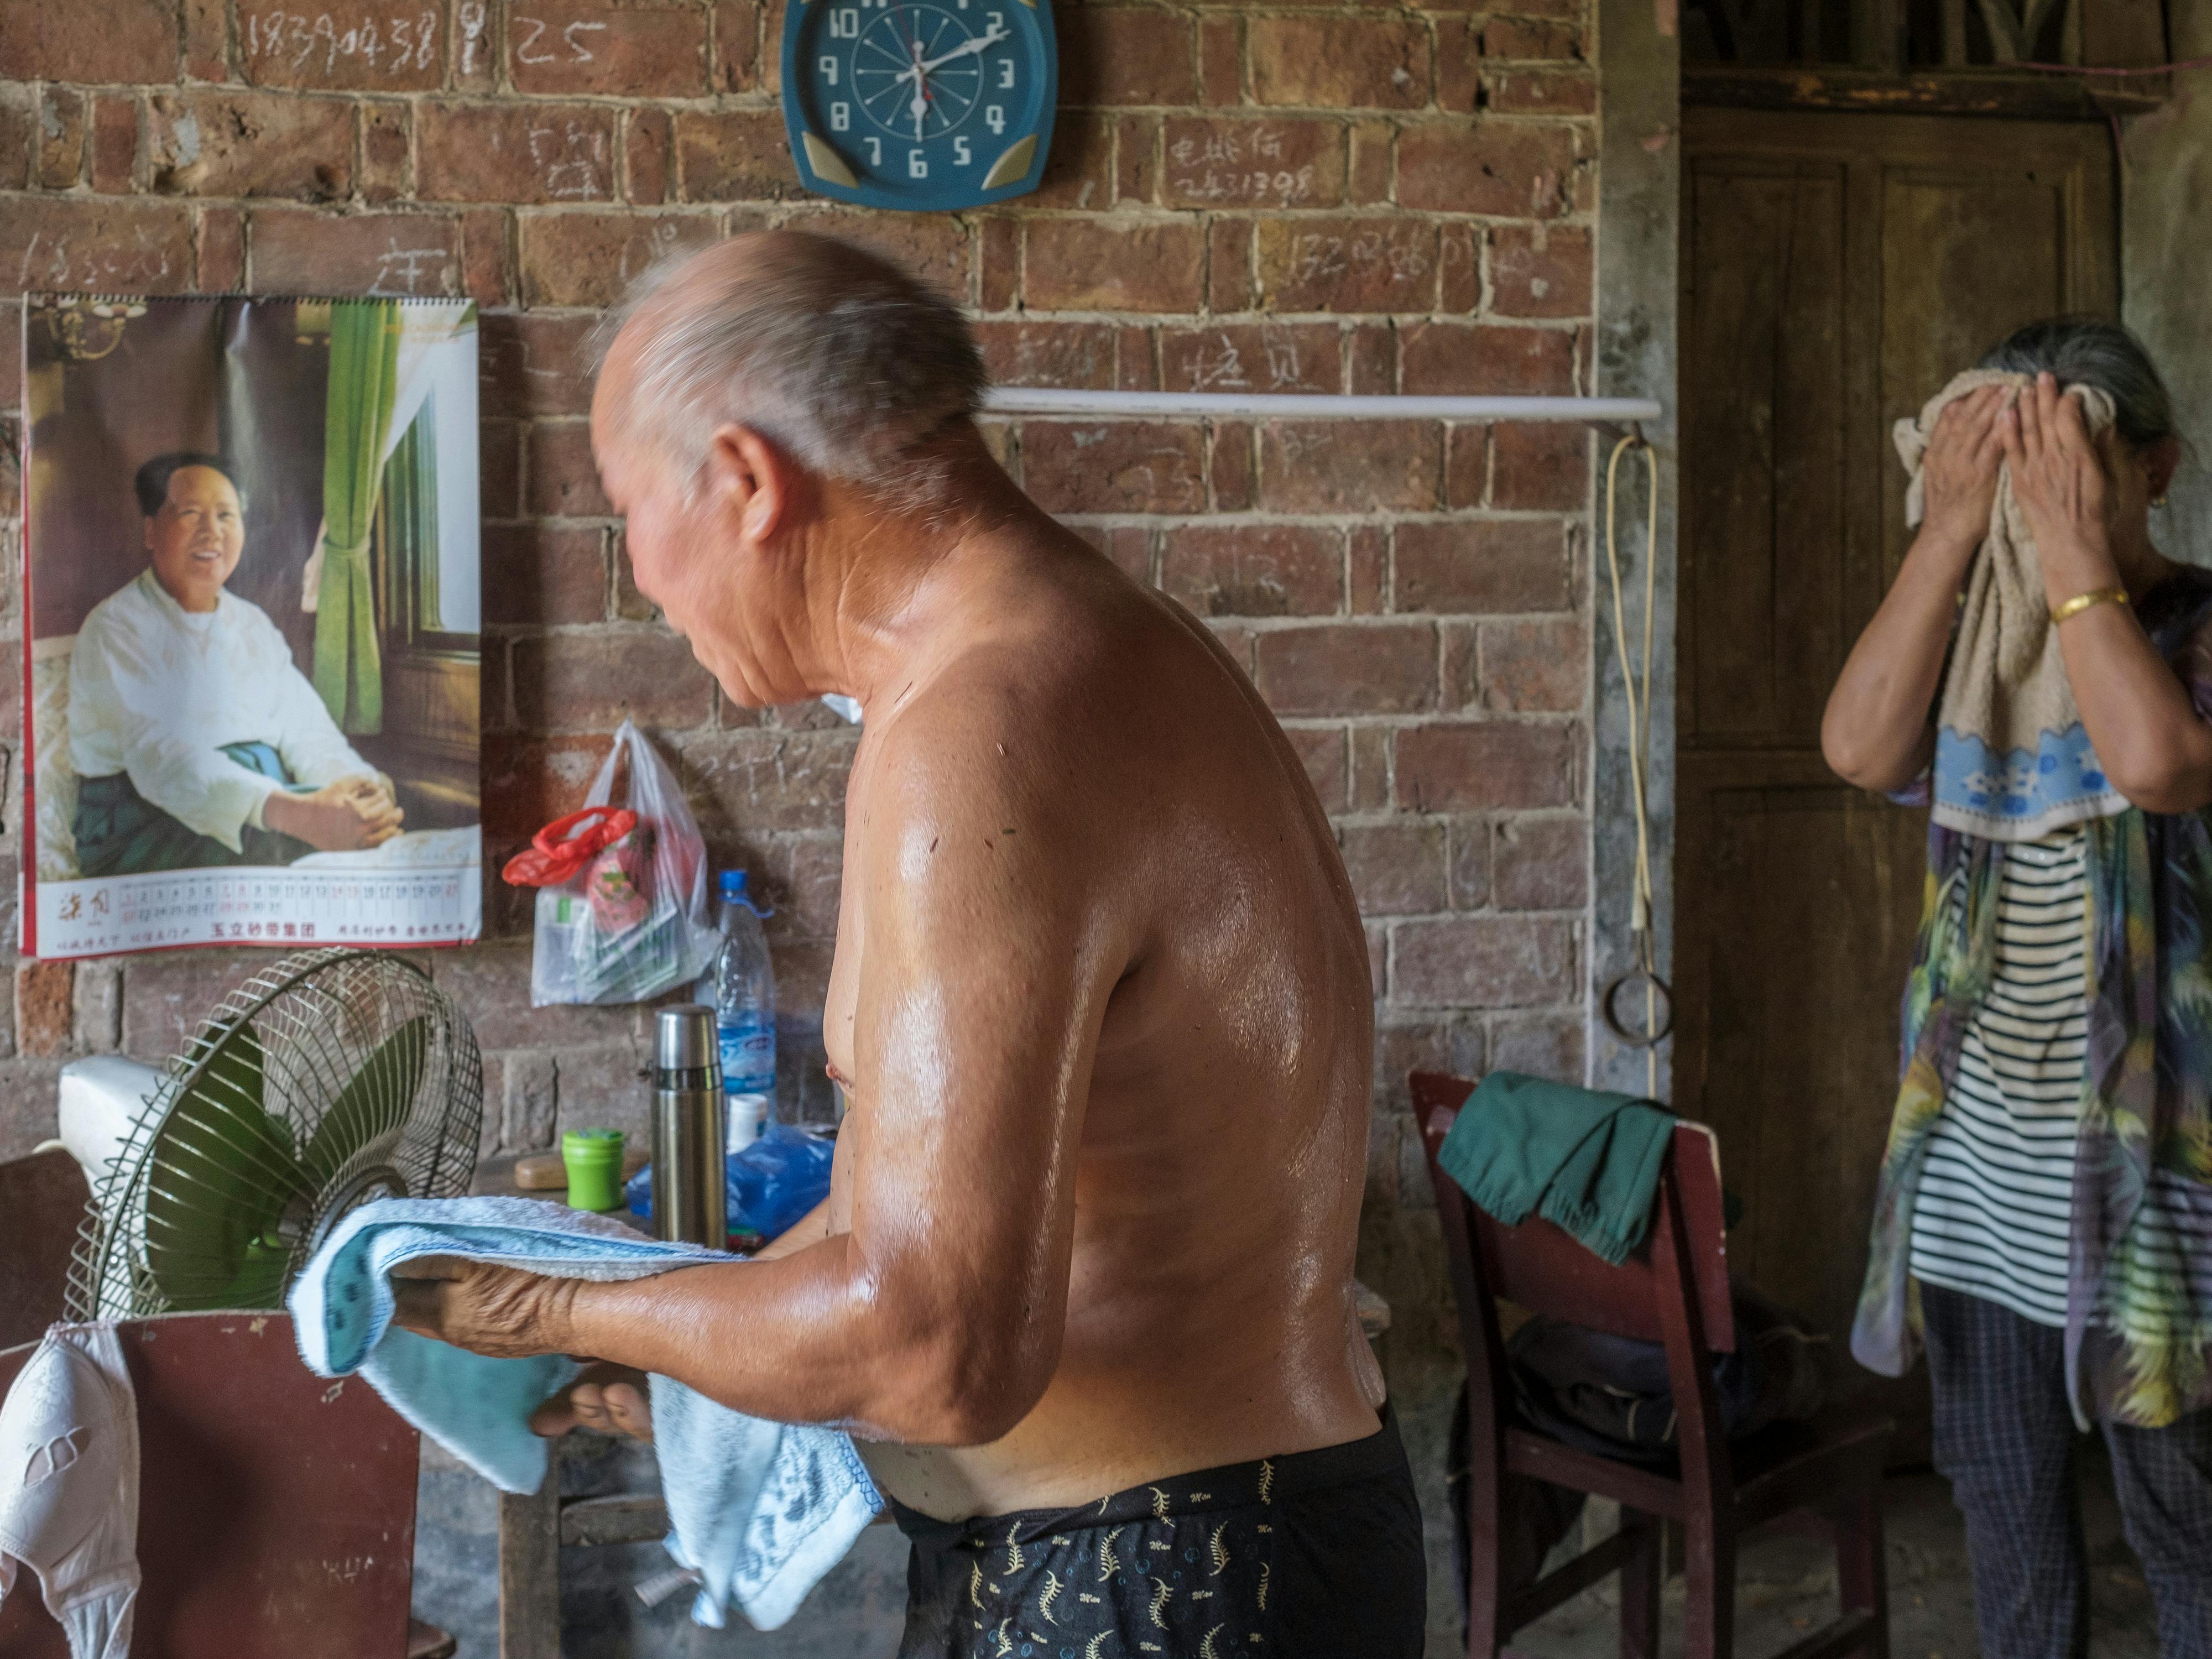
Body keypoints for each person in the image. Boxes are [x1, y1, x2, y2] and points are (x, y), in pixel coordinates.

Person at [389, 231, 1424, 1655]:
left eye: (629, 509)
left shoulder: (989, 728)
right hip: (1185, 1534)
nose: (641, 576)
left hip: (1172, 1569)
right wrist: (688, 1348)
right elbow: (892, 1224)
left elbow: (938, 1347)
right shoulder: (1059, 652)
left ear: (746, 482)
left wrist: (562, 1297)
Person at [1824, 319, 2212, 1658]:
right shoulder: (1982, 647)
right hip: (1984, 1171)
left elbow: (2157, 762)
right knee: (2010, 1533)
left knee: (2190, 1542)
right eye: (2016, 460)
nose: (2039, 488)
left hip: (2163, 1197)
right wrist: (1947, 531)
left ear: (2157, 467)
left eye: (2074, 457)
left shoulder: (2197, 630)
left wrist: (2067, 552)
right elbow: (1856, 740)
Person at [67, 452, 404, 875]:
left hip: (266, 803)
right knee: (335, 852)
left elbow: (308, 731)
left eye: (227, 515)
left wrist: (360, 788)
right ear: (151, 531)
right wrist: (302, 815)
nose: (213, 532)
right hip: (143, 821)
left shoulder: (252, 624)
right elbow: (164, 762)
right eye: (191, 514)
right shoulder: (115, 628)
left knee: (368, 830)